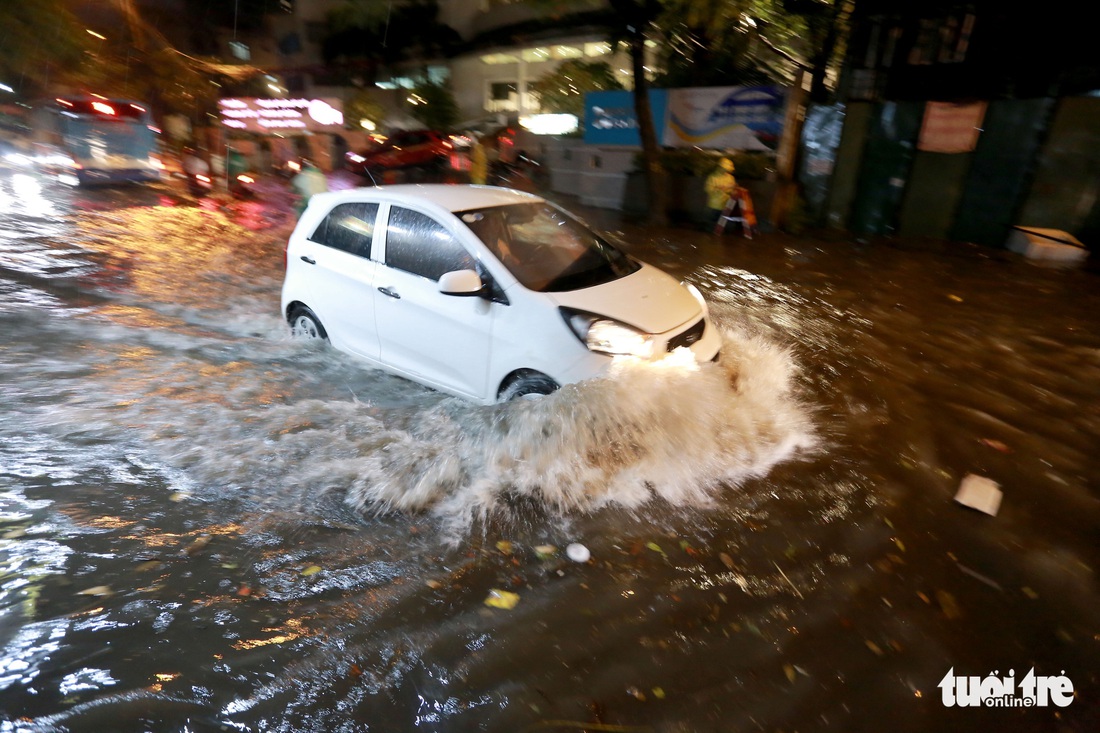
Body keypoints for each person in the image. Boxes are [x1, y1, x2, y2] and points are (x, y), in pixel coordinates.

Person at [705, 157, 738, 233]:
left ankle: (718, 232)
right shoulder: (712, 177)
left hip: (726, 204)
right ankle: (711, 233)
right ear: (720, 167)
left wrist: (733, 190)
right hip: (714, 204)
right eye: (725, 169)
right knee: (713, 220)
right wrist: (720, 189)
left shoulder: (730, 177)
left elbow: (732, 189)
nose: (726, 171)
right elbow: (708, 189)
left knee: (722, 221)